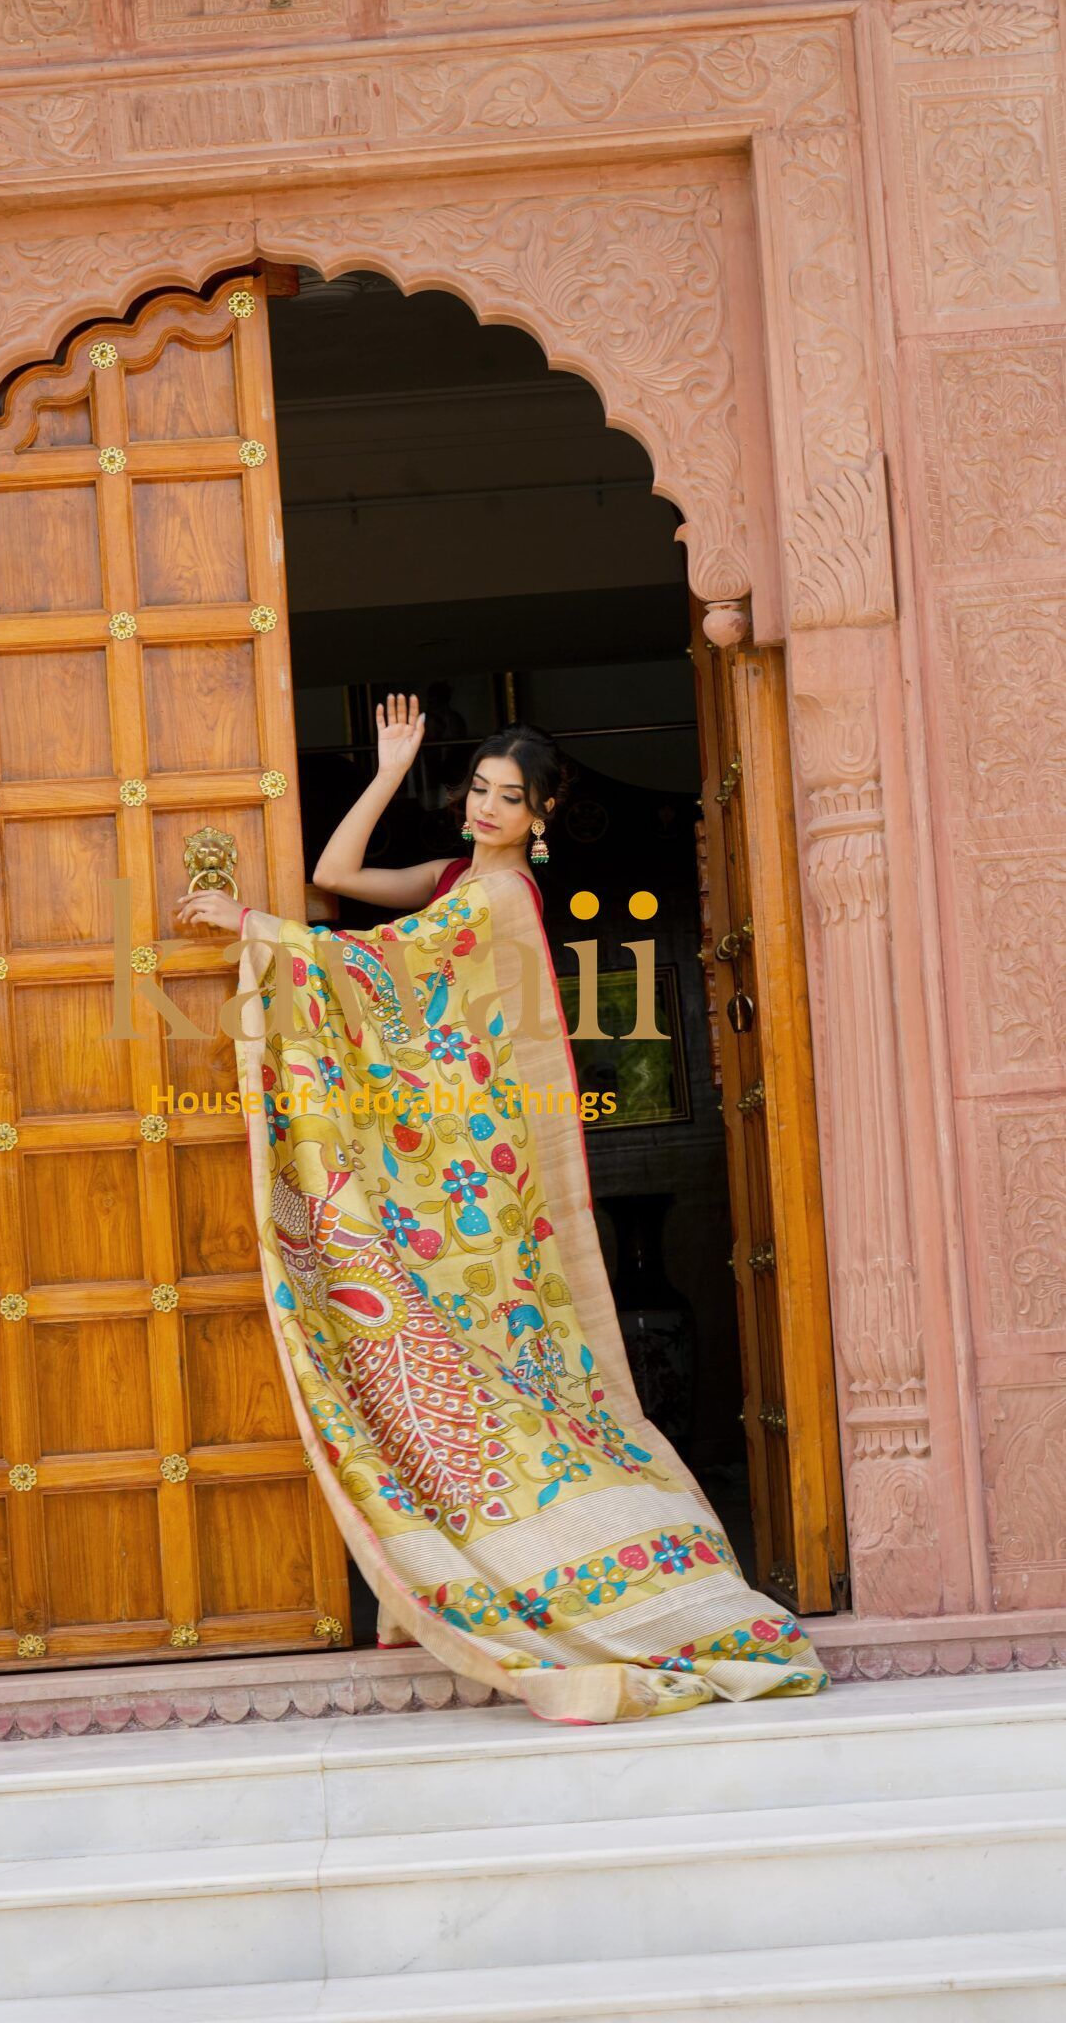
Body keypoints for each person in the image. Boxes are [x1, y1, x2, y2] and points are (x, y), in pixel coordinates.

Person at [173, 695, 827, 1723]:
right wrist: (388, 773)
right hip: (443, 1166)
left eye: (507, 798)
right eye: (475, 788)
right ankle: (457, 1566)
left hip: (477, 1190)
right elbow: (336, 883)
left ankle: (576, 1568)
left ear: (542, 813)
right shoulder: (449, 882)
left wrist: (251, 930)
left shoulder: (503, 901)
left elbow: (380, 967)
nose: (483, 809)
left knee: (503, 1365)